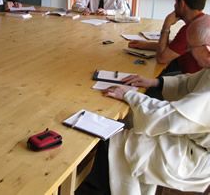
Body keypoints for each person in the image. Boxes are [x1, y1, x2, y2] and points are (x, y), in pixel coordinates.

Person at [78, 14, 210, 195]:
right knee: (131, 128)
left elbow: (169, 116)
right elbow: (188, 83)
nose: (188, 51)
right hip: (192, 140)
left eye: (191, 47)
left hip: (195, 158)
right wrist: (154, 82)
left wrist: (130, 96)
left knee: (116, 142)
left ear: (207, 49)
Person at [129, 0, 206, 74]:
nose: (174, 5)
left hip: (191, 82)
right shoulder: (202, 22)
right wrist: (145, 45)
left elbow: (161, 58)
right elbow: (175, 46)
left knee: (148, 79)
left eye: (176, 2)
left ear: (182, 4)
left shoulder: (190, 29)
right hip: (197, 78)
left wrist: (166, 25)